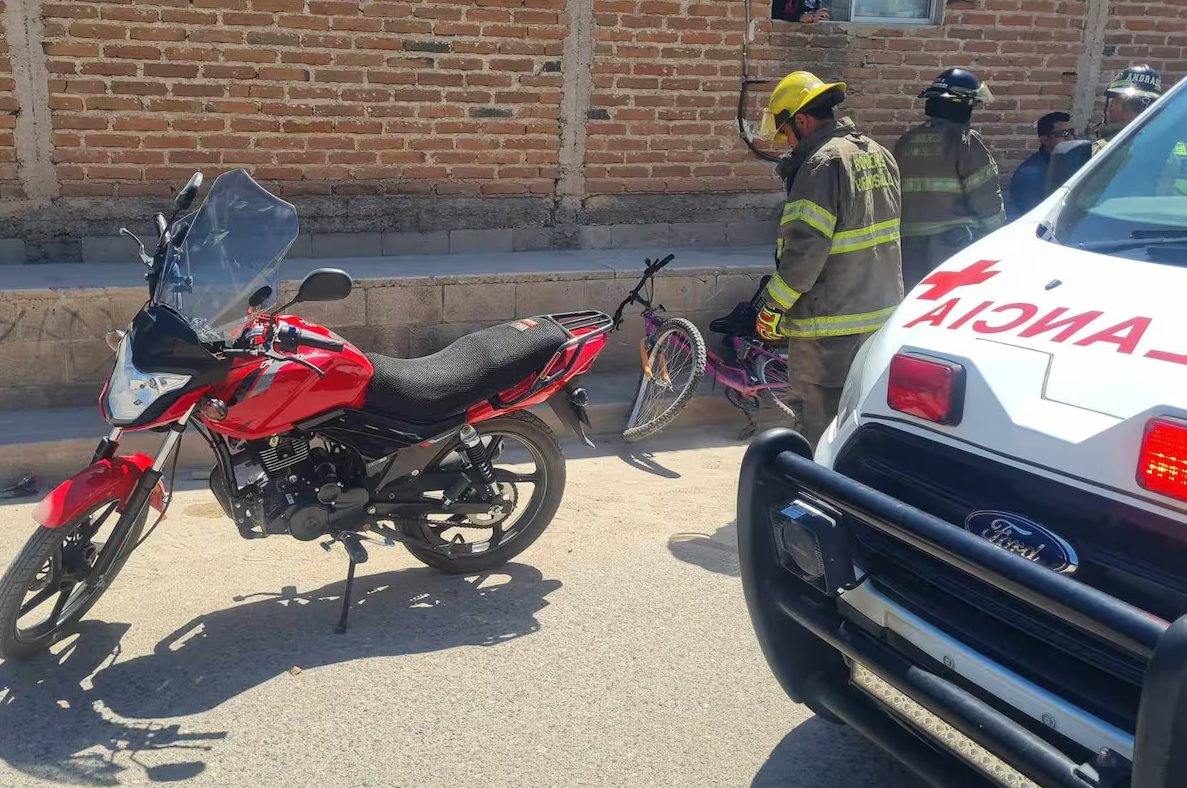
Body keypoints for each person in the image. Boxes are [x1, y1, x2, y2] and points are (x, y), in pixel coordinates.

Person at [753, 71, 903, 447]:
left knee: (818, 419)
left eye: (786, 131)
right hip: (880, 318)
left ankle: (821, 497)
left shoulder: (821, 165)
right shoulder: (879, 154)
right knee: (862, 419)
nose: (786, 141)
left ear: (801, 120)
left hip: (828, 326)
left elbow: (805, 251)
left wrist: (772, 307)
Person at [894, 68, 1006, 291]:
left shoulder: (906, 141)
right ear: (960, 104)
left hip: (909, 250)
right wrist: (1001, 240)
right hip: (953, 248)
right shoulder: (965, 142)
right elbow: (986, 200)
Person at [1008, 111, 1073, 218]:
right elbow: (1034, 217)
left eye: (1072, 132)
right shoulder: (1031, 173)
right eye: (1064, 133)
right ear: (1044, 139)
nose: (1070, 138)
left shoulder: (1067, 164)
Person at [1092, 64, 1163, 157]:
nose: (1110, 108)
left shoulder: (1102, 150)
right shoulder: (1167, 150)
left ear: (1118, 104)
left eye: (1113, 101)